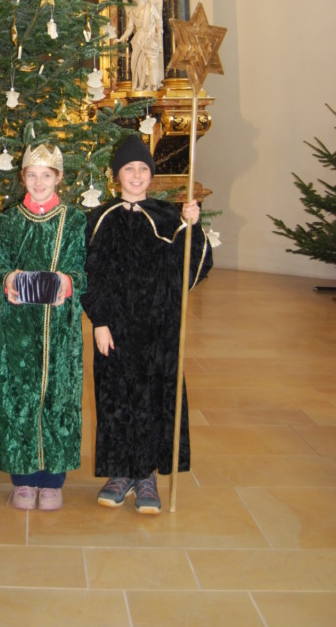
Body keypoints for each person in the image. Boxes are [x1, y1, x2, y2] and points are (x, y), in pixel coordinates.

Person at [82, 135, 212, 514]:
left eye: (143, 169)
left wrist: (193, 228)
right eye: (129, 169)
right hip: (116, 329)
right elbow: (93, 274)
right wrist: (100, 322)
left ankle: (147, 477)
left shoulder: (168, 217)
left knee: (155, 398)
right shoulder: (101, 219)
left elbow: (193, 268)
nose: (136, 176)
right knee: (116, 398)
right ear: (117, 175)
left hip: (159, 328)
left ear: (150, 176)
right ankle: (120, 472)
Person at [0, 143, 86, 512]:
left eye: (47, 175)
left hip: (59, 329)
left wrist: (66, 282)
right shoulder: (9, 220)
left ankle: (53, 480)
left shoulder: (74, 220)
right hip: (18, 328)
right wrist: (9, 278)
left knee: (58, 395)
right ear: (23, 178)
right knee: (20, 395)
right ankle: (24, 478)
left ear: (59, 178)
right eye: (32, 175)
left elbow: (81, 271)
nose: (39, 182)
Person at [117, 0, 163, 92]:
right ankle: (135, 84)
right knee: (134, 62)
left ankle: (143, 86)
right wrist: (121, 38)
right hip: (138, 38)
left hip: (148, 36)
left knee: (144, 62)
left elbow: (158, 19)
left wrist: (159, 29)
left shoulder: (150, 6)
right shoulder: (132, 11)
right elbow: (129, 28)